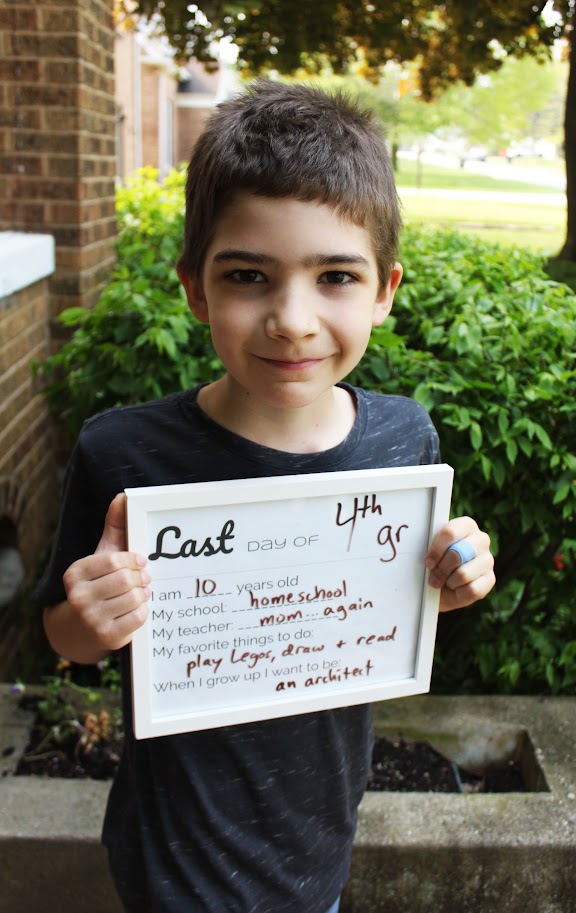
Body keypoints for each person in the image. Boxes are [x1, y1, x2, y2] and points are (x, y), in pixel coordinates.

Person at [34, 80, 495, 913]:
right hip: (173, 859)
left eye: (335, 277)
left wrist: (450, 577)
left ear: (384, 290)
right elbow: (64, 636)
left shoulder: (402, 441)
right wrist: (88, 618)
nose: (291, 319)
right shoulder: (125, 452)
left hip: (319, 840)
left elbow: (395, 607)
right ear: (195, 288)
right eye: (249, 275)